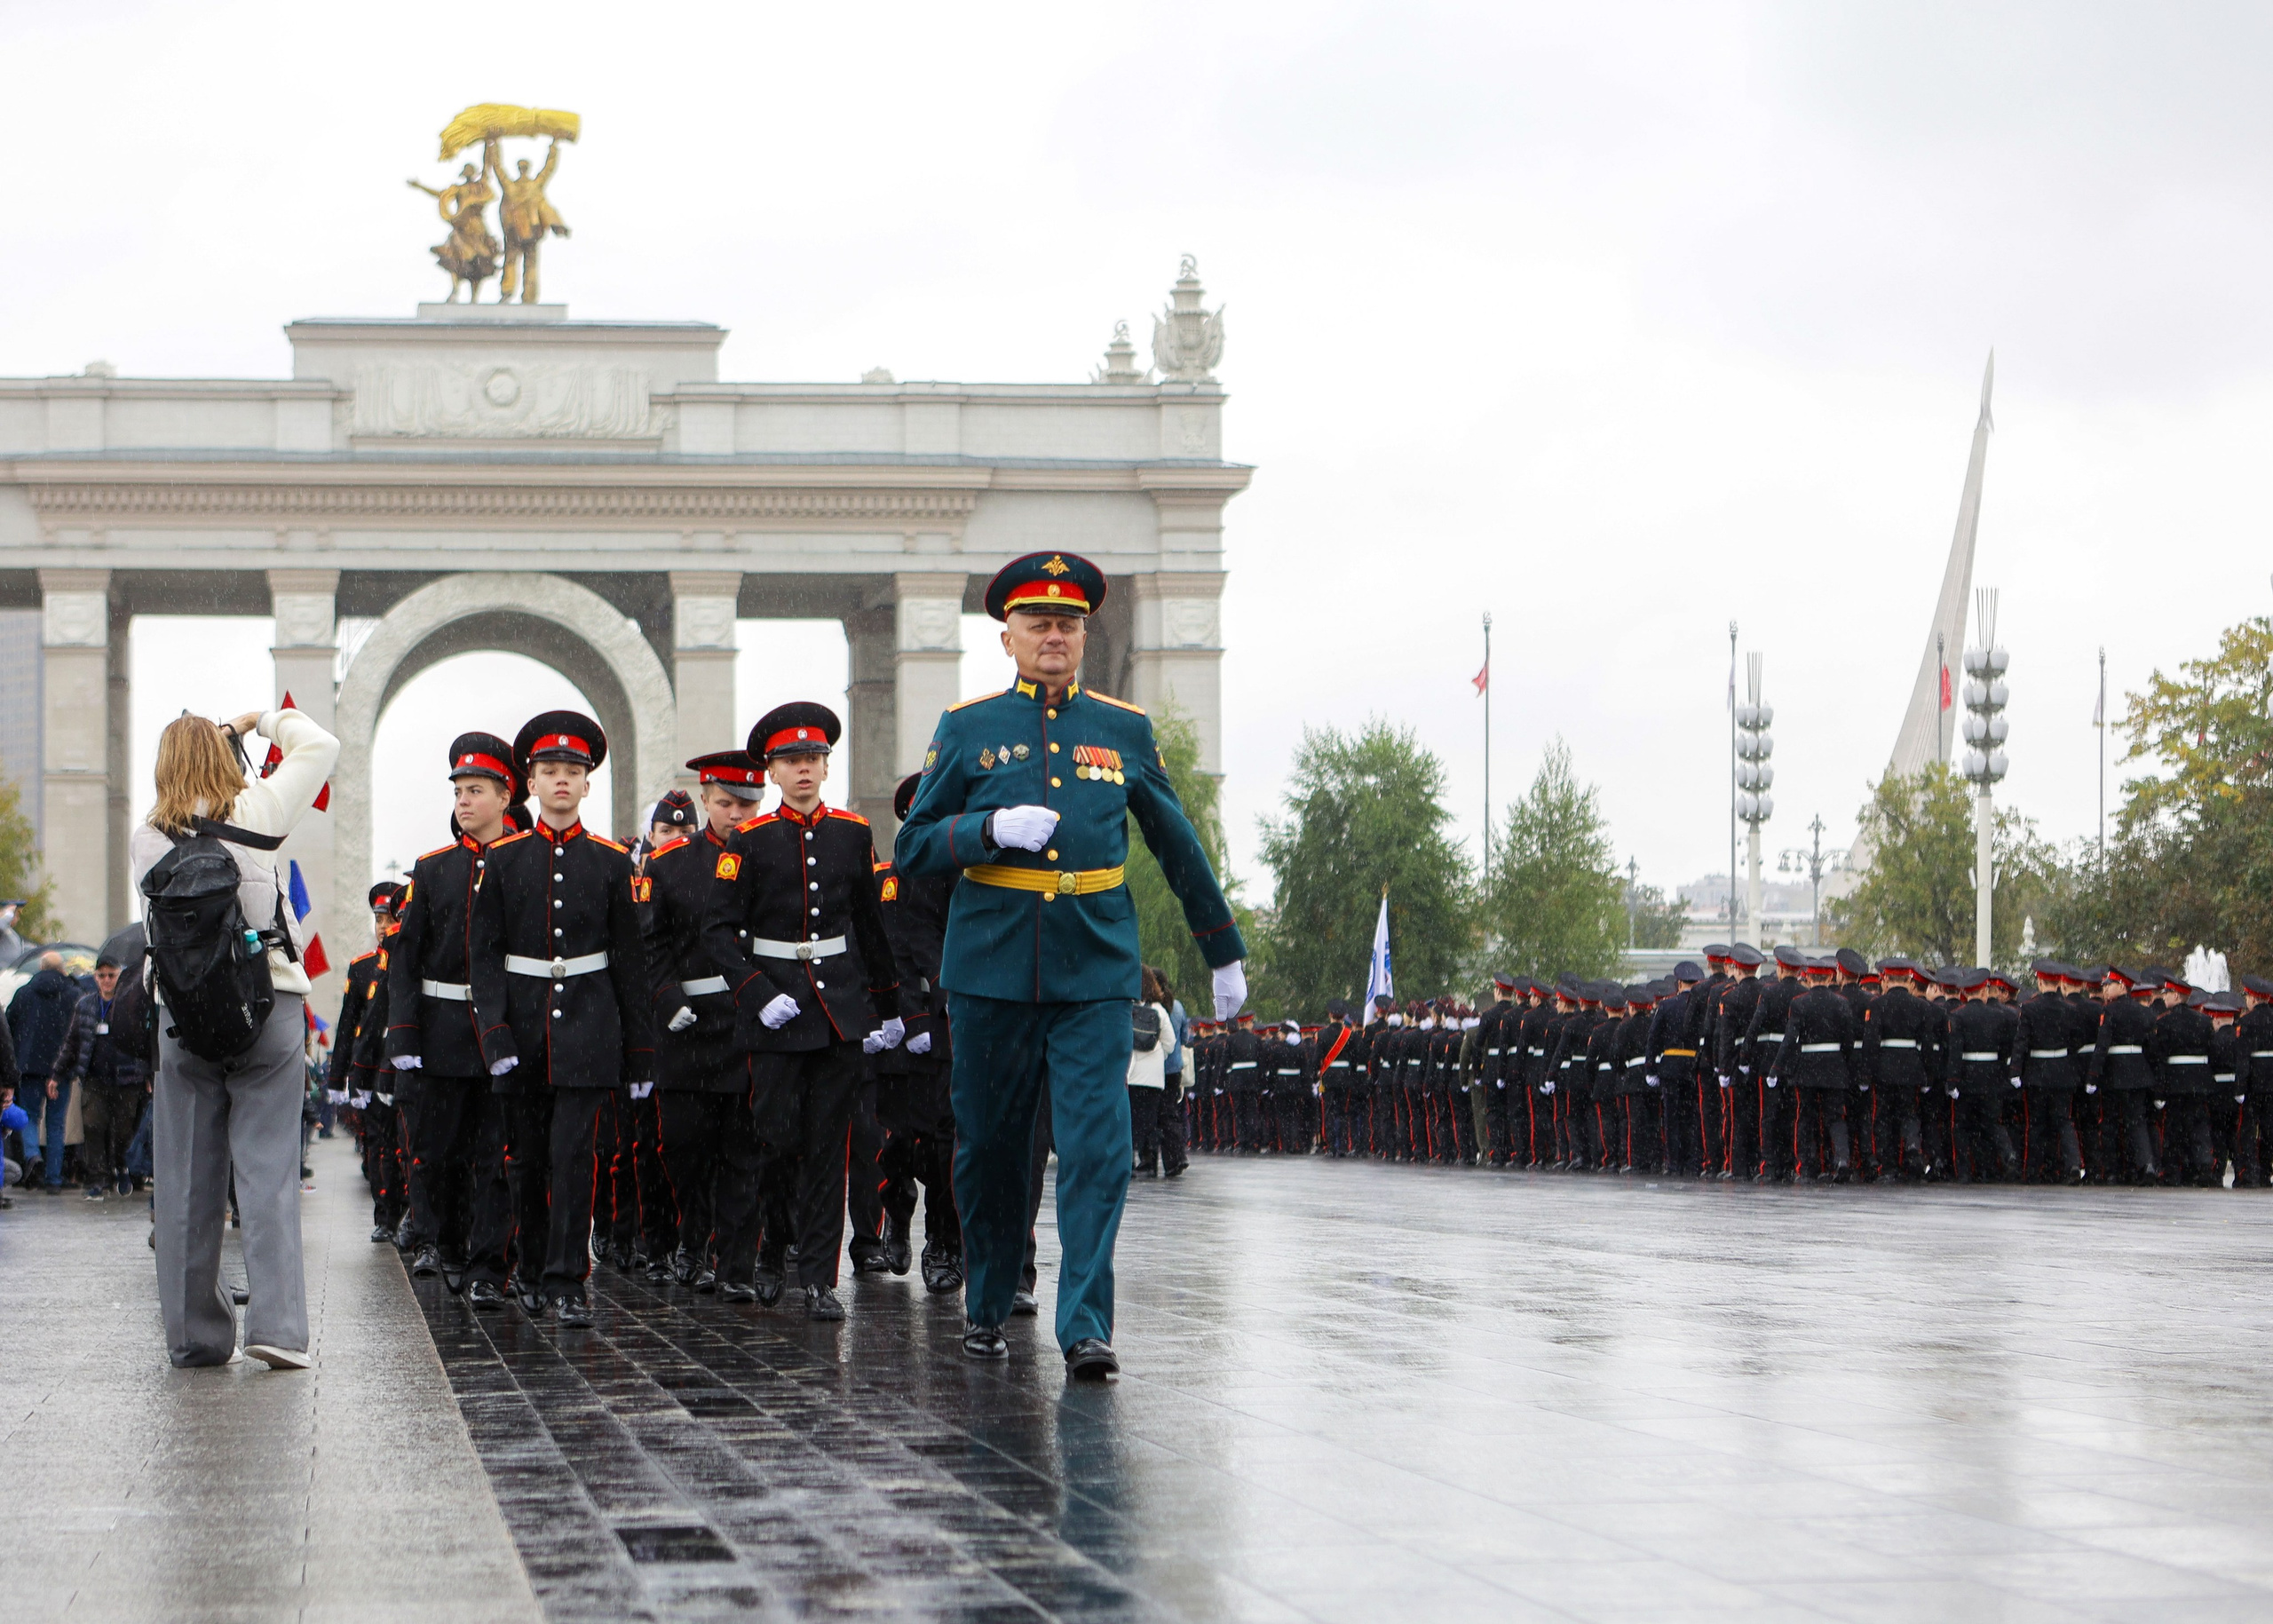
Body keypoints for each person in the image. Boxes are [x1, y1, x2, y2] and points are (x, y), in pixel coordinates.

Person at [897, 550, 1245, 1376]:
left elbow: (1176, 841)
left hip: (1094, 966)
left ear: (1084, 635)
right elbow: (911, 846)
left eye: (1069, 623)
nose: (1055, 635)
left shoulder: (1122, 730)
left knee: (1097, 1147)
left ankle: (1086, 1322)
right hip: (989, 968)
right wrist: (983, 834)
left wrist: (1221, 947)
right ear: (1007, 636)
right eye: (1038, 622)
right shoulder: (968, 726)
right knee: (990, 1148)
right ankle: (986, 1300)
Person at [131, 704, 339, 1369]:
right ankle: (277, 1328)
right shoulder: (260, 811)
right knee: (268, 1170)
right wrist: (258, 724)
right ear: (224, 759)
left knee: (186, 1180)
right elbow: (322, 744)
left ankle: (196, 1334)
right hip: (266, 1003)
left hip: (182, 1016)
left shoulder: (147, 836)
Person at [699, 702, 905, 1322]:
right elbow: (717, 929)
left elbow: (871, 927)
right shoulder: (749, 841)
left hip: (838, 1010)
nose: (805, 770)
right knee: (775, 1135)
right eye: (792, 761)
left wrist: (888, 1007)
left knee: (828, 1147)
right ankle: (774, 1243)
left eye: (814, 759)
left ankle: (819, 1277)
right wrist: (757, 992)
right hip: (777, 1009)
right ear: (772, 771)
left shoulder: (852, 832)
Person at [468, 710, 654, 1327]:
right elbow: (485, 956)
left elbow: (629, 960)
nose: (562, 781)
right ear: (532, 783)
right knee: (524, 1158)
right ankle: (528, 1268)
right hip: (520, 1029)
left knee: (576, 1157)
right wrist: (492, 1032)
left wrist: (639, 1053)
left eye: (573, 771)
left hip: (590, 1027)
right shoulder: (502, 858)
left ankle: (567, 1277)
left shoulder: (610, 861)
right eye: (550, 771)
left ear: (587, 782)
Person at [386, 733, 522, 1303]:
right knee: (440, 1150)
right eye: (460, 791)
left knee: (499, 1154)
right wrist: (404, 1031)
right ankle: (443, 1245)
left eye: (476, 791)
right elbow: (406, 958)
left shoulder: (529, 862)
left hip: (506, 1032)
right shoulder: (434, 868)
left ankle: (491, 1264)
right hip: (443, 1030)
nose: (464, 802)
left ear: (505, 796)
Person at [641, 755, 766, 1300]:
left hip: (750, 1021)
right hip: (687, 1026)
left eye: (746, 804)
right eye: (724, 803)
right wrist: (668, 998)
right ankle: (693, 1232)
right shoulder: (669, 865)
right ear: (706, 799)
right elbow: (652, 944)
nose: (736, 814)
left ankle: (735, 1262)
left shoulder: (774, 856)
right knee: (684, 1147)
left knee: (743, 1147)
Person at [872, 772, 966, 1288]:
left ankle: (943, 1242)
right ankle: (898, 1208)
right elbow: (891, 956)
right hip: (904, 1035)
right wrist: (909, 1018)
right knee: (900, 1143)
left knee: (946, 1144)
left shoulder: (964, 874)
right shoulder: (891, 879)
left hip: (951, 1029)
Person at [52, 955, 147, 1200]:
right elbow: (72, 1042)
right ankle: (98, 1177)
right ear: (95, 977)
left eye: (111, 975)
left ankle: (122, 1167)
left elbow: (144, 1041)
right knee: (94, 1126)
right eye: (101, 975)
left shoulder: (130, 1004)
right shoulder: (85, 1005)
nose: (106, 980)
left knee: (124, 1129)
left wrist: (149, 1073)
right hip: (94, 1077)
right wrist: (57, 1074)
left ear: (119, 976)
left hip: (128, 1077)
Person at [10, 950, 77, 1190]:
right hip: (61, 1069)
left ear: (40, 967)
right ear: (62, 969)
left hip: (29, 1067)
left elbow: (9, 1024)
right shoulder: (73, 994)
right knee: (56, 1123)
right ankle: (54, 1179)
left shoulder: (24, 993)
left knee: (29, 1116)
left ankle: (31, 1155)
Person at [1127, 966, 1180, 1176]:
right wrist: (1158, 1055)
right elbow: (1171, 1042)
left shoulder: (1127, 1008)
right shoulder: (1159, 1009)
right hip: (1153, 1078)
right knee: (1149, 1121)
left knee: (1128, 1120)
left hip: (1130, 1073)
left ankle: (1127, 1162)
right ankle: (1149, 1161)